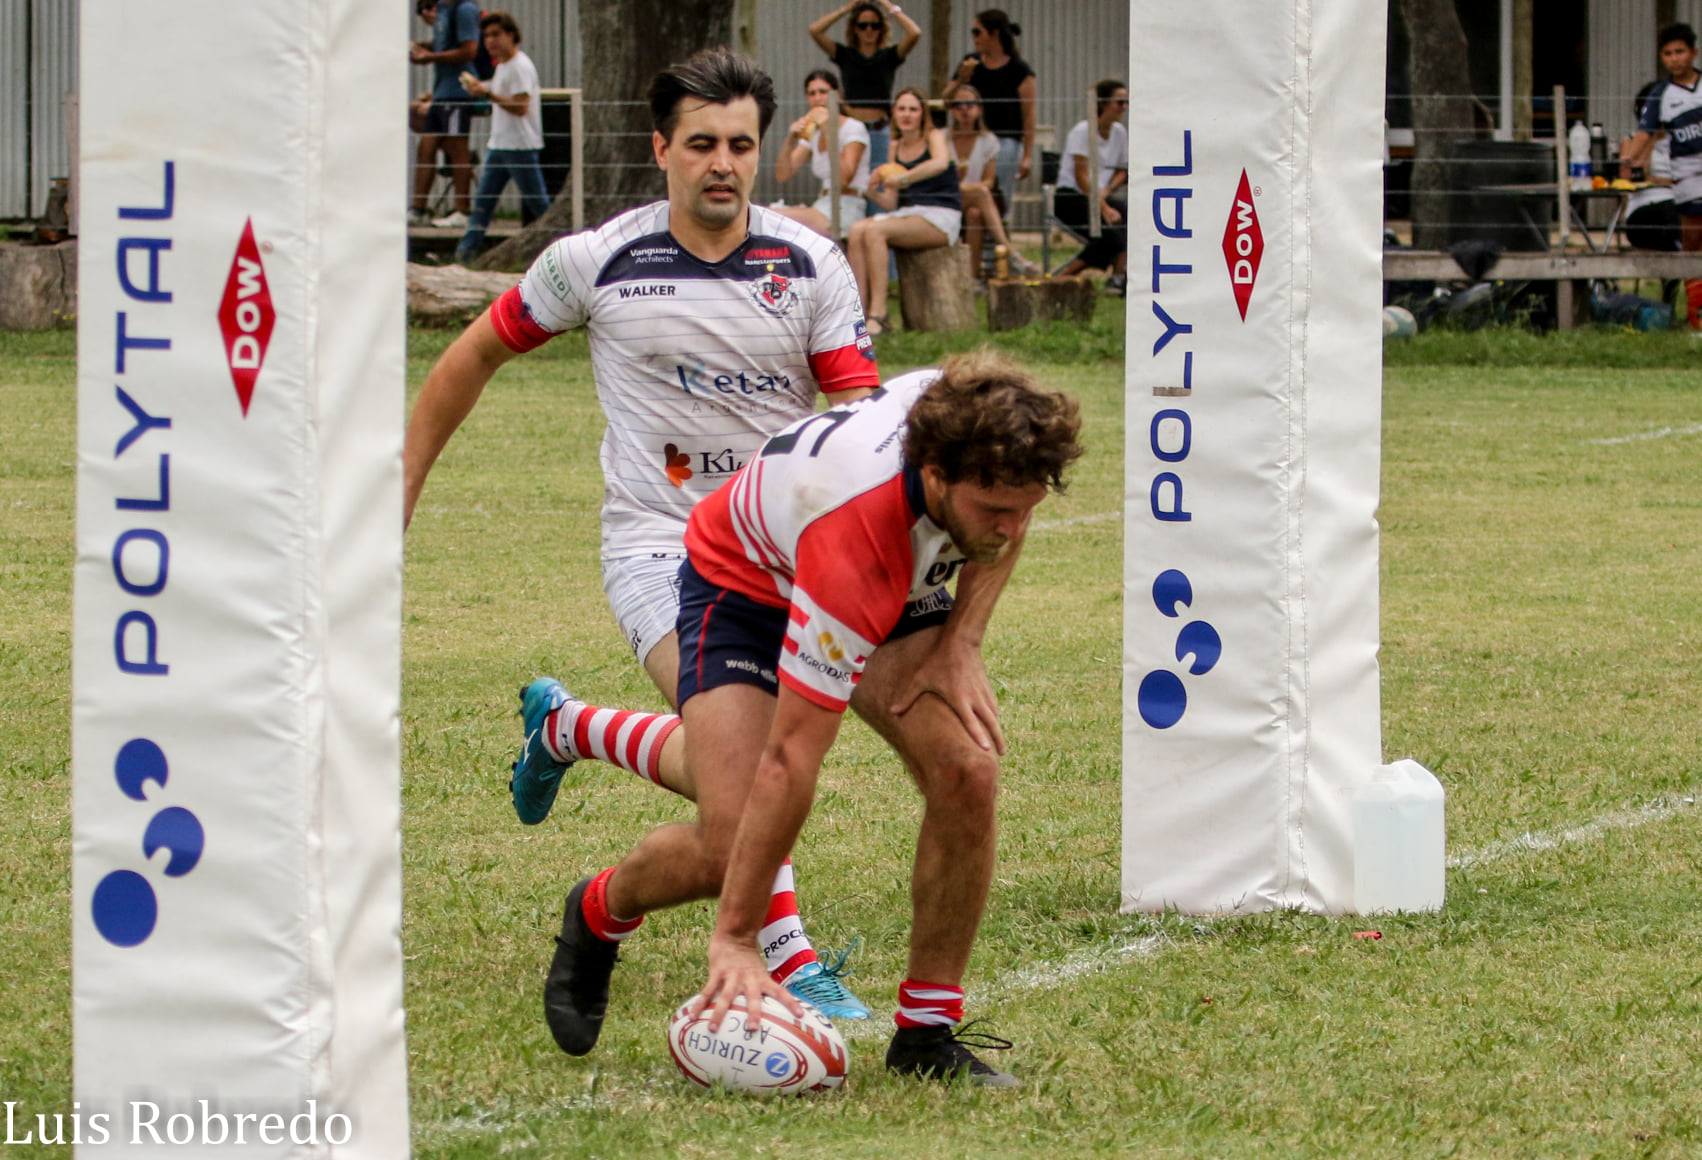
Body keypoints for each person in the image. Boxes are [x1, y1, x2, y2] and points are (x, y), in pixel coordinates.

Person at [402, 49, 882, 1024]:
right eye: (700, 143)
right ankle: (784, 949)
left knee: (735, 767)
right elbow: (476, 352)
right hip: (661, 546)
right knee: (743, 779)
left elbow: (859, 415)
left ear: (761, 154)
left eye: (741, 145)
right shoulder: (595, 260)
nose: (721, 163)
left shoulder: (807, 264)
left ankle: (568, 726)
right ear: (659, 148)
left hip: (781, 552)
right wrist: (400, 484)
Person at [543, 352, 1083, 1086]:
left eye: (1026, 506)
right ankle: (602, 907)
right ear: (935, 476)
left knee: (966, 769)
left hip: (885, 561)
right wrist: (735, 939)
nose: (1012, 527)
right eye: (995, 509)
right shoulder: (855, 538)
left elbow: (998, 529)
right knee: (732, 847)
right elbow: (791, 760)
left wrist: (962, 640)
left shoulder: (974, 425)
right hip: (747, 586)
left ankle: (925, 1035)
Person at [847, 87, 961, 336]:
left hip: (940, 214)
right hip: (909, 213)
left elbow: (940, 163)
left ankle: (880, 315)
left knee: (875, 231)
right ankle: (858, 313)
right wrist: (873, 190)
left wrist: (906, 178)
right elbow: (891, 203)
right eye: (901, 109)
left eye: (913, 109)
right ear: (894, 113)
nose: (907, 114)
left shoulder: (935, 136)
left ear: (923, 114)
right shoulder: (894, 146)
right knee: (858, 230)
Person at [1620, 22, 1702, 327]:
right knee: (1692, 248)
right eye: (1668, 53)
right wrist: (1627, 162)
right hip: (1686, 184)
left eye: (1680, 51)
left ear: (1693, 52)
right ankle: (1697, 318)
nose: (1675, 58)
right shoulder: (1660, 95)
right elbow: (1644, 134)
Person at [453, 11, 552, 264]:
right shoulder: (505, 66)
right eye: (486, 35)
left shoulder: (520, 65)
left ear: (511, 35)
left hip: (519, 146)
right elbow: (502, 94)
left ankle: (561, 252)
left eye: (496, 34)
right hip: (500, 145)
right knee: (482, 206)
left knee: (540, 207)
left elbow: (521, 106)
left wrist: (486, 93)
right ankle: (464, 257)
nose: (490, 41)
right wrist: (480, 88)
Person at [808, 0, 923, 194]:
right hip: (851, 132)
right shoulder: (845, 55)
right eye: (863, 25)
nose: (869, 30)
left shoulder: (889, 56)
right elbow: (815, 30)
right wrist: (847, 8)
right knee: (851, 185)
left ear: (882, 29)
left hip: (879, 131)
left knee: (878, 185)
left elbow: (915, 33)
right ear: (854, 29)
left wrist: (887, 6)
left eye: (875, 25)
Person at [941, 9, 1035, 227]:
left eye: (978, 32)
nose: (974, 38)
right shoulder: (970, 63)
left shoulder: (1019, 69)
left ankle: (997, 249)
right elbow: (946, 100)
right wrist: (961, 79)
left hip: (1005, 141)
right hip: (973, 138)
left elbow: (1029, 114)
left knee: (998, 196)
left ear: (994, 34)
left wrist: (1027, 154)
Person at [946, 84, 1037, 278]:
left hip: (971, 198)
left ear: (979, 108)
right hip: (947, 197)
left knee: (975, 213)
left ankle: (972, 276)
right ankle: (1009, 250)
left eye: (970, 104)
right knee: (981, 195)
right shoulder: (942, 138)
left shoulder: (988, 141)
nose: (964, 109)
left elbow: (988, 181)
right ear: (951, 109)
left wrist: (964, 186)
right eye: (958, 104)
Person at [1052, 79, 1130, 295]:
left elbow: (1122, 170)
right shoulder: (1082, 131)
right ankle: (1064, 276)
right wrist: (1103, 207)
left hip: (1099, 195)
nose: (1124, 107)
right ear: (1104, 104)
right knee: (1108, 236)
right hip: (1072, 197)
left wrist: (1107, 191)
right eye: (1120, 102)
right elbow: (1081, 176)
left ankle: (1119, 276)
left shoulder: (1120, 133)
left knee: (1129, 217)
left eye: (1127, 102)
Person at [771, 70, 870, 240]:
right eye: (812, 94)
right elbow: (783, 175)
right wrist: (790, 138)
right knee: (771, 216)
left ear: (837, 96)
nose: (817, 98)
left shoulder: (854, 127)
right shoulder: (814, 132)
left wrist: (827, 130)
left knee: (774, 217)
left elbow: (844, 178)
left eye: (823, 92)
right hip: (822, 204)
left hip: (846, 206)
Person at [410, 0, 482, 228]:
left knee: (457, 148)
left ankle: (462, 210)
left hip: (458, 91)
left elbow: (469, 50)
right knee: (426, 147)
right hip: (441, 90)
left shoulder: (465, 9)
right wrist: (422, 48)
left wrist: (429, 57)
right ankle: (418, 209)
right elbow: (443, 44)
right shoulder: (443, 8)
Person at [1624, 80, 1681, 254]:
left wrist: (1656, 180)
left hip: (1679, 202)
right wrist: (1649, 136)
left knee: (1681, 215)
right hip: (1645, 206)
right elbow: (1633, 177)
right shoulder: (1631, 141)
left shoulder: (1681, 140)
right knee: (1672, 215)